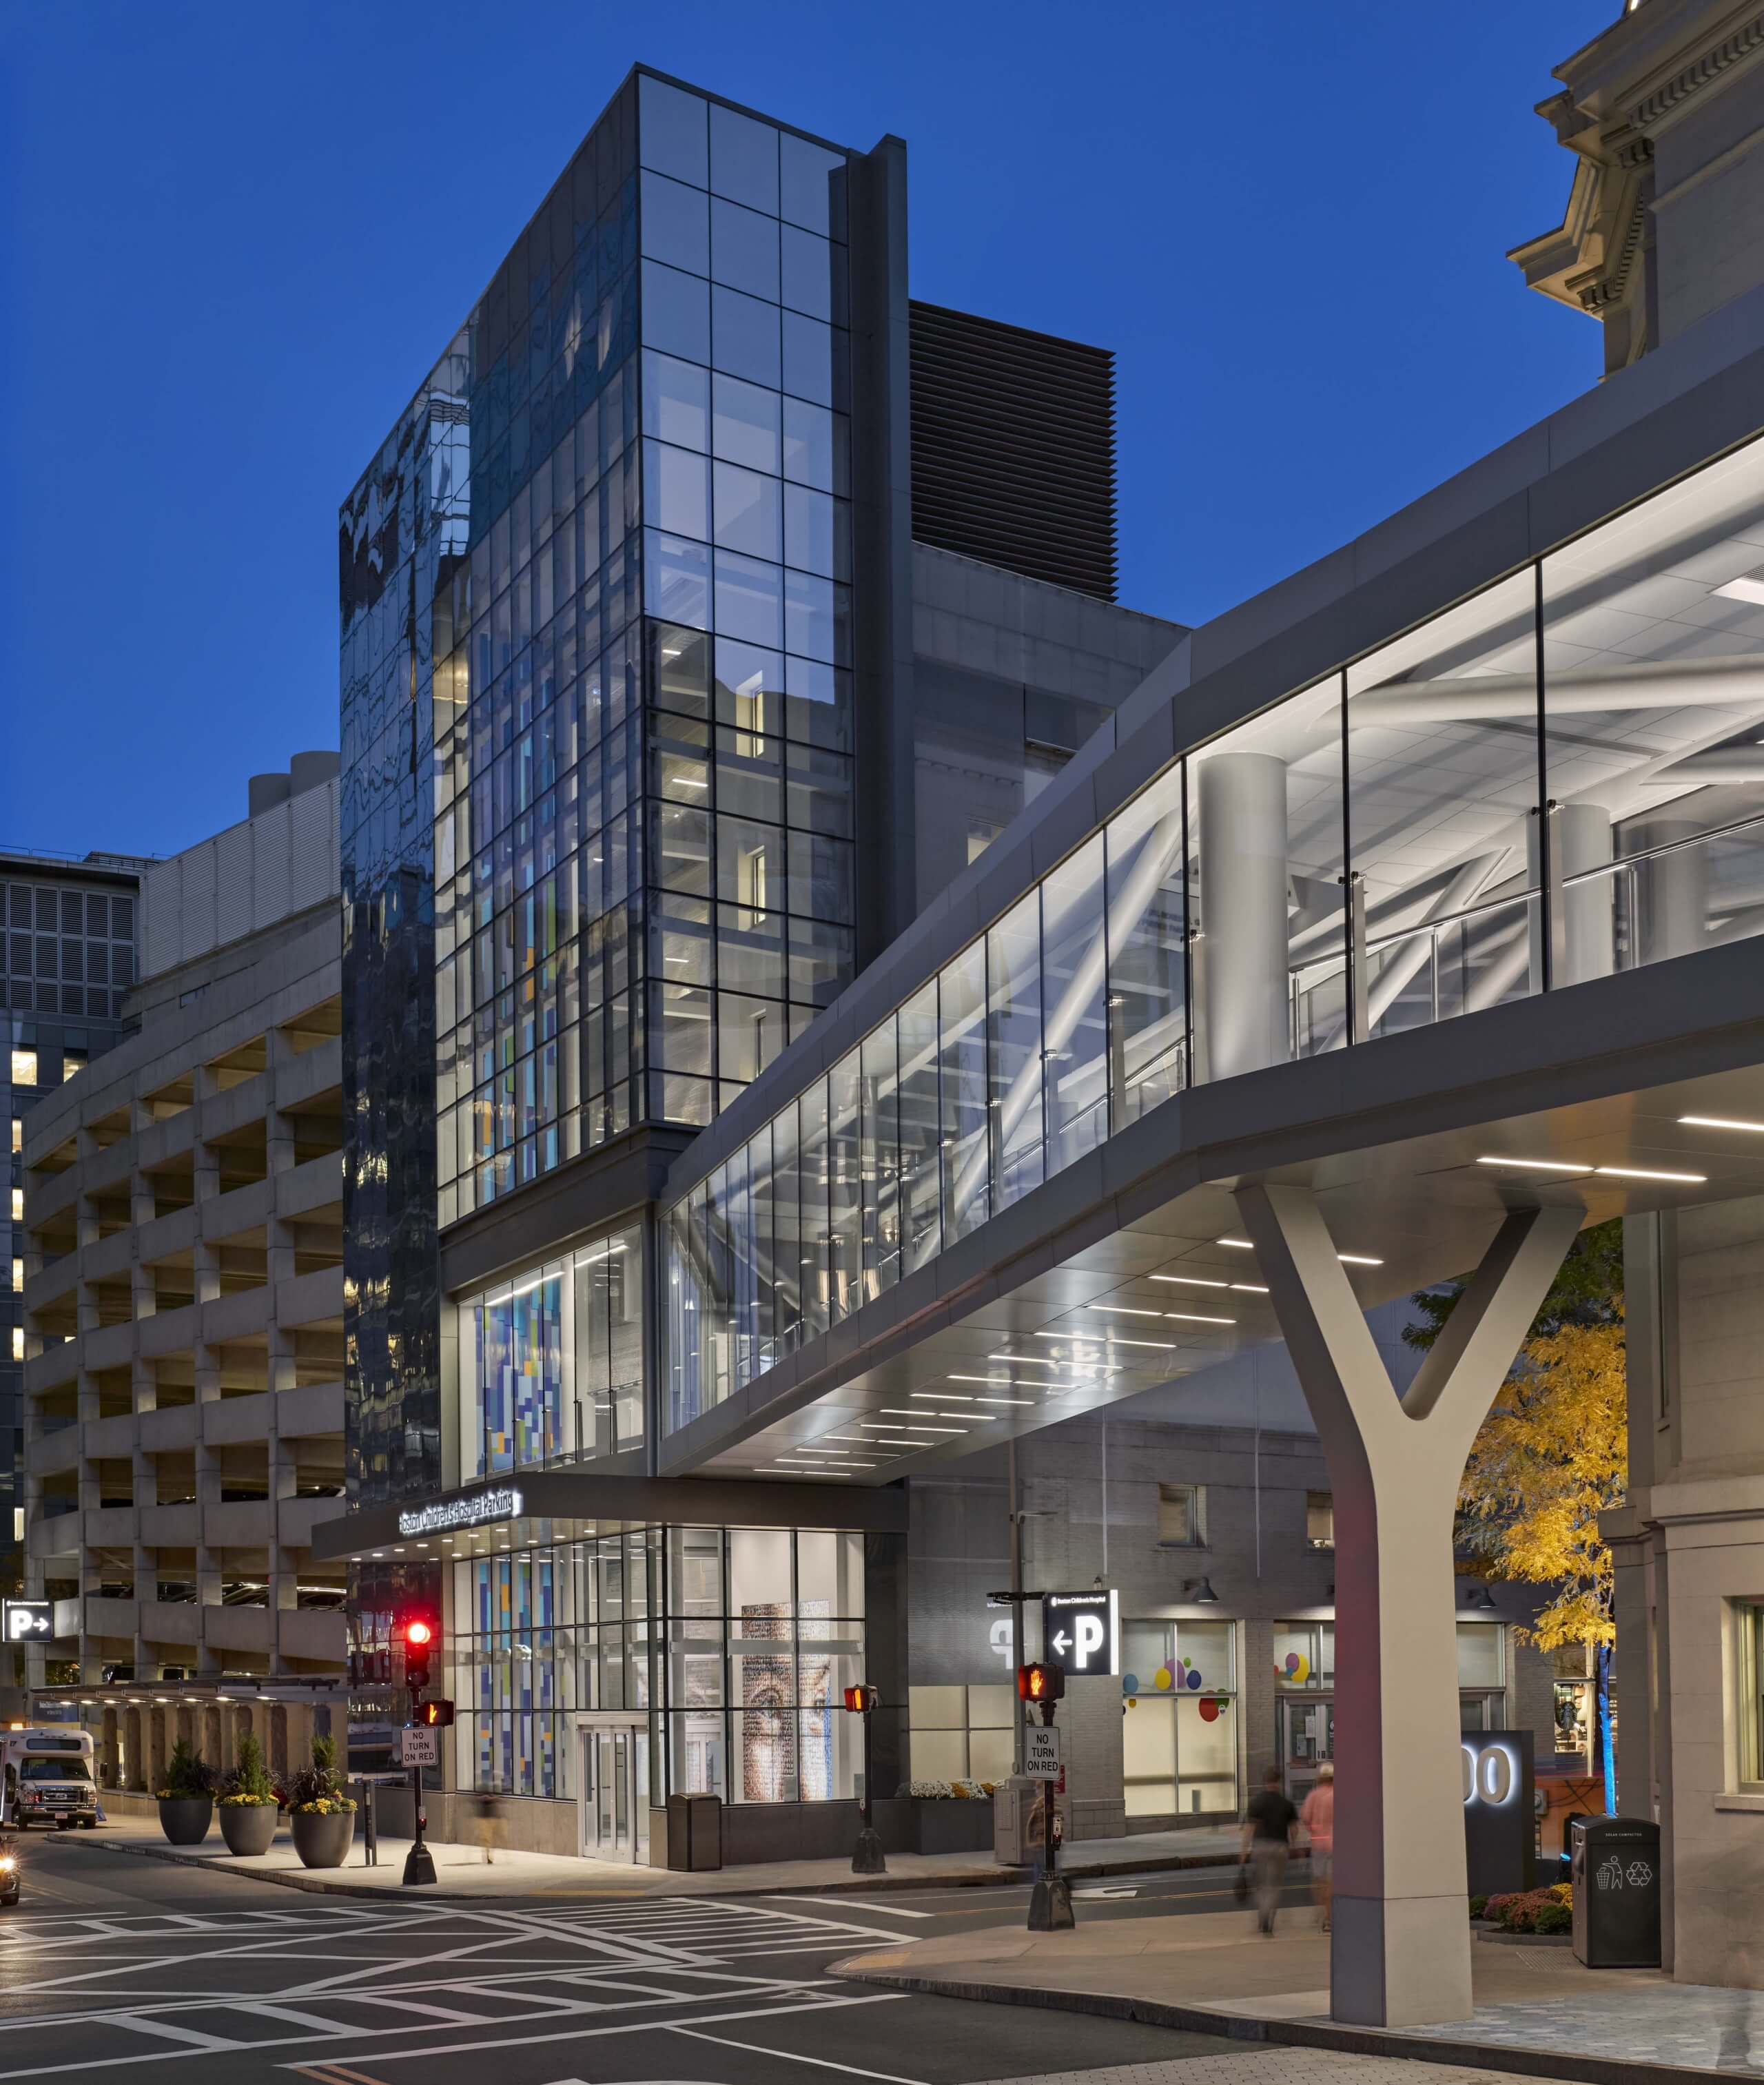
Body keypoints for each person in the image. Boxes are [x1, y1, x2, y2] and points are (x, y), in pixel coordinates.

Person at [1240, 1764, 1298, 1935]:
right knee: (1274, 1885)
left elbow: (1249, 1829)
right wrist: (1294, 1846)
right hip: (1280, 1847)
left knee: (1261, 1885)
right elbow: (1294, 1829)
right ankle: (1269, 1919)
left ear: (1265, 1782)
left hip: (1261, 1846)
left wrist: (1244, 1851)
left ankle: (1262, 1917)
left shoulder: (1256, 1802)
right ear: (1278, 1782)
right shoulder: (1286, 1804)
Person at [1300, 1761, 1335, 1931]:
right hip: (1337, 1845)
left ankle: (1324, 1913)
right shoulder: (1338, 1794)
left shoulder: (1314, 1796)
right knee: (1332, 1881)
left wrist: (1313, 1829)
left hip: (1319, 1843)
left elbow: (1305, 1817)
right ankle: (1329, 1916)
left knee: (1320, 1880)